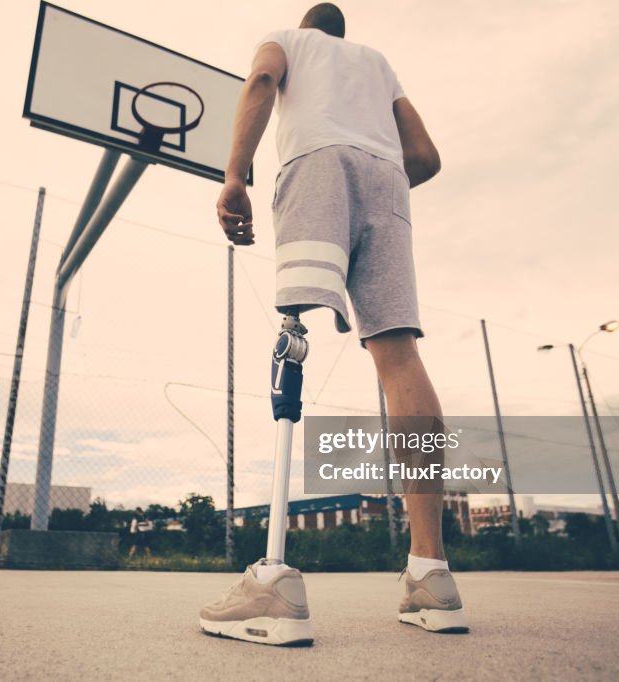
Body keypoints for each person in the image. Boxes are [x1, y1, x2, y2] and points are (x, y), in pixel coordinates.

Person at [199, 3, 467, 644]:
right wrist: (380, 191)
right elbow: (425, 156)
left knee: (293, 328)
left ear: (306, 26)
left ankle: (272, 584)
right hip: (387, 181)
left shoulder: (284, 40)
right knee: (399, 356)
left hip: (317, 165)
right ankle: (430, 572)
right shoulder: (378, 64)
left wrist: (235, 177)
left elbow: (262, 82)